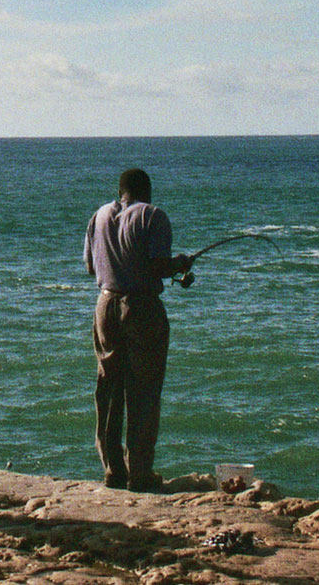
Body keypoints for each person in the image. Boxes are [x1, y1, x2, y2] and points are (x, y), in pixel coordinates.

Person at [82, 168, 191, 491]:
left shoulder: (99, 216)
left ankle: (113, 470)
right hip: (141, 306)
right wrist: (180, 263)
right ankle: (140, 473)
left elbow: (91, 267)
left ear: (121, 190)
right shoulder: (153, 216)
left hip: (105, 305)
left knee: (109, 389)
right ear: (147, 190)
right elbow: (158, 265)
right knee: (143, 389)